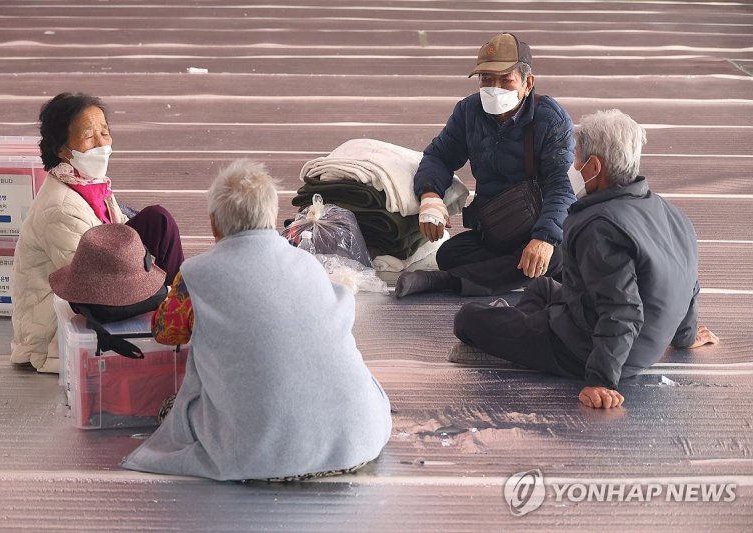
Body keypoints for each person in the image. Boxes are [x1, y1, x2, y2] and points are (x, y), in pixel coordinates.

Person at [122, 159, 392, 481]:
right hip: (357, 439)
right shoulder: (308, 264)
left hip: (260, 455)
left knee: (176, 408)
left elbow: (165, 333)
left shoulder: (196, 275)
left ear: (214, 224)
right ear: (271, 216)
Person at [449, 109, 719, 409]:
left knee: (468, 319)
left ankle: (524, 341)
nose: (573, 166)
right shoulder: (670, 213)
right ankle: (524, 334)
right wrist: (686, 336)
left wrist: (601, 380)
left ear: (594, 167)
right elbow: (688, 283)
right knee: (541, 286)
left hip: (588, 350)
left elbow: (622, 309)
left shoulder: (600, 226)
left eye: (576, 158)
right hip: (633, 338)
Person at [10, 92, 184, 373]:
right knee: (155, 261)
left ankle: (180, 305)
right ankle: (178, 308)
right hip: (60, 320)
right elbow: (90, 283)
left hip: (96, 281)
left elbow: (119, 236)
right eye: (89, 136)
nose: (102, 143)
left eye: (104, 132)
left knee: (157, 221)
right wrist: (149, 276)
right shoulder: (60, 207)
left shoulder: (91, 184)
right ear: (62, 149)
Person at [395, 32, 576, 298]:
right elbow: (439, 156)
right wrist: (430, 196)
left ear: (528, 83)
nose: (495, 88)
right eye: (487, 79)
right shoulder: (469, 111)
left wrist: (544, 239)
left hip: (536, 225)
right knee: (448, 254)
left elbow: (562, 187)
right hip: (496, 230)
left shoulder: (551, 120)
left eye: (506, 80)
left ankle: (445, 281)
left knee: (556, 254)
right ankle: (509, 271)